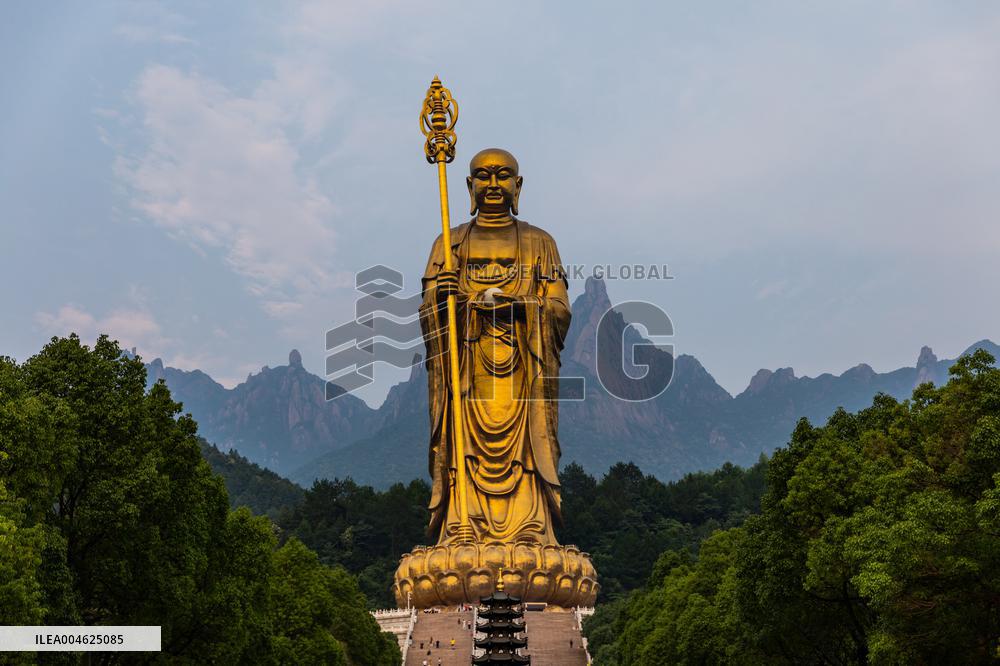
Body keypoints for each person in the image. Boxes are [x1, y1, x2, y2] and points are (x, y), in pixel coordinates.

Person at [421, 148, 570, 546]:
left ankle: (530, 526)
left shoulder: (540, 243)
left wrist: (520, 306)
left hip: (523, 374)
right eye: (483, 176)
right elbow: (428, 313)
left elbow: (558, 309)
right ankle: (462, 524)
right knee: (463, 447)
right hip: (467, 374)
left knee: (526, 451)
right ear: (469, 185)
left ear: (517, 185)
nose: (492, 184)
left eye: (502, 175)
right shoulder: (448, 245)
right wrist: (443, 299)